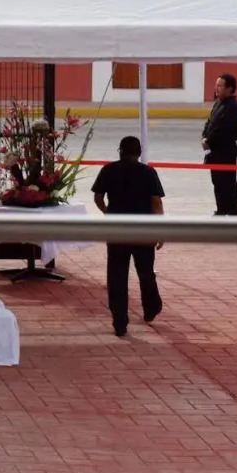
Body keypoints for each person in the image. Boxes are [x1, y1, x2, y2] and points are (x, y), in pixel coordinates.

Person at [92, 135, 165, 337]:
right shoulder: (149, 173)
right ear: (139, 153)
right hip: (143, 230)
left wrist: (107, 211)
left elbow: (98, 197)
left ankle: (120, 322)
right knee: (146, 272)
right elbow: (156, 203)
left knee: (117, 276)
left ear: (120, 151)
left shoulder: (108, 170)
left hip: (117, 230)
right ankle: (151, 307)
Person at [203, 73, 237, 217]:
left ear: (230, 88)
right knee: (217, 183)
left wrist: (209, 141)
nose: (216, 88)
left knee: (228, 183)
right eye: (216, 85)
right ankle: (221, 209)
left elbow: (225, 131)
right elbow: (210, 122)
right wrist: (204, 137)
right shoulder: (218, 103)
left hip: (225, 152)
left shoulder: (233, 107)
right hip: (214, 151)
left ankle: (233, 212)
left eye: (220, 86)